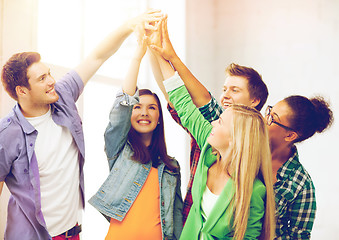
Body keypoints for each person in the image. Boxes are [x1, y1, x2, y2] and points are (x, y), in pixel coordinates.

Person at [0, 10, 163, 240]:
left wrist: (129, 25)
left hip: (72, 234)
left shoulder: (62, 95)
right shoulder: (7, 134)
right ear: (22, 91)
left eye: (48, 74)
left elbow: (97, 56)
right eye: (42, 79)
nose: (51, 81)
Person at [148, 16, 269, 223]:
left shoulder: (255, 172)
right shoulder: (213, 130)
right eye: (224, 89)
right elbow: (180, 101)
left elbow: (197, 100)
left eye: (235, 90)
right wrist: (156, 49)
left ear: (254, 101)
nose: (225, 96)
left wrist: (167, 55)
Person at [88, 23, 183, 240]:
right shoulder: (119, 150)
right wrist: (137, 56)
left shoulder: (172, 167)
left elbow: (176, 217)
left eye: (152, 108)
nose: (144, 112)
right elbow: (122, 105)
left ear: (159, 119)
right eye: (138, 107)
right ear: (130, 115)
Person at [265, 95, 333, 239]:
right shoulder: (247, 148)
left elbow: (299, 236)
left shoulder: (302, 184)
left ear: (290, 135)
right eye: (269, 112)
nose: (265, 120)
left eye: (272, 118)